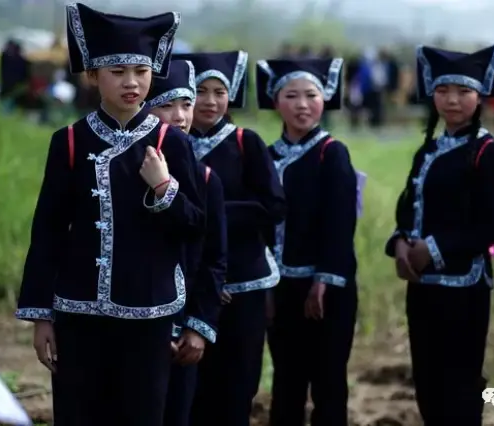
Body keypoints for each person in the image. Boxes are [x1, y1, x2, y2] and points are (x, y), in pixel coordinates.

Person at [14, 4, 205, 426]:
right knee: (79, 414)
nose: (132, 82)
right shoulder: (67, 141)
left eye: (140, 70)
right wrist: (40, 314)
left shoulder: (171, 143)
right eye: (117, 71)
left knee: (142, 415)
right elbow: (47, 231)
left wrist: (163, 187)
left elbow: (195, 224)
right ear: (92, 75)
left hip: (149, 313)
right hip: (78, 311)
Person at [385, 43, 494, 426]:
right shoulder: (428, 149)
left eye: (463, 92)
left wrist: (433, 249)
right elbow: (408, 208)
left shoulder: (488, 153)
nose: (452, 100)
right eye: (443, 91)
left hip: (464, 289)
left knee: (459, 386)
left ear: (480, 96)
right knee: (427, 382)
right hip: (422, 285)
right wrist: (401, 244)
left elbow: (490, 226)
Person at [172, 50, 286, 426]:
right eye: (199, 92)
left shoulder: (244, 141)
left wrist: (211, 213)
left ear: (231, 95)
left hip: (245, 279)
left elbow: (272, 206)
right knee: (192, 382)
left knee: (238, 380)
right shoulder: (172, 145)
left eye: (219, 92)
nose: (210, 101)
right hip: (192, 282)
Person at [256, 57, 358, 426]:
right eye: (292, 95)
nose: (302, 104)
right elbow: (261, 227)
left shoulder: (332, 153)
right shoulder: (265, 157)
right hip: (280, 287)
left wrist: (323, 281)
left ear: (324, 99)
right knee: (287, 380)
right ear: (276, 101)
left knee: (328, 381)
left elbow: (339, 223)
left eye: (311, 95)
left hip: (325, 290)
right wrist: (265, 287)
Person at [146, 58, 227, 426]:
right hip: (135, 328)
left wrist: (197, 326)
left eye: (186, 104)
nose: (179, 116)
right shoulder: (121, 171)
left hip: (183, 331)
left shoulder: (207, 179)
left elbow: (212, 258)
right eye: (166, 104)